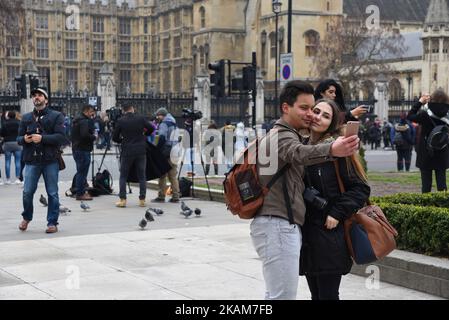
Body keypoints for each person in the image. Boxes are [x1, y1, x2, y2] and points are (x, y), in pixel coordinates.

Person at [251, 80, 360, 300]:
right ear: (285, 108)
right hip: (283, 227)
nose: (312, 115)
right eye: (306, 109)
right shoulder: (286, 137)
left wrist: (335, 212)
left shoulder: (294, 137)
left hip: (317, 235)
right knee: (282, 296)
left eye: (316, 111)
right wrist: (332, 149)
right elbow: (298, 152)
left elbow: (359, 188)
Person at [299, 99, 371, 300]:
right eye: (316, 111)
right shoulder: (300, 147)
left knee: (328, 296)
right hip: (306, 232)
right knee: (315, 295)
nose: (318, 117)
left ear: (332, 124)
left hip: (329, 233)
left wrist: (336, 212)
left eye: (326, 116)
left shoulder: (337, 149)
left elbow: (361, 188)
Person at [17, 87, 67, 234]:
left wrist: (43, 138)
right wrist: (24, 139)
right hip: (32, 160)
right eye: (34, 96)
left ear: (46, 99)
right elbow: (18, 138)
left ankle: (52, 222)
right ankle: (26, 217)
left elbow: (62, 137)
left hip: (50, 160)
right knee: (27, 192)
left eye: (39, 95)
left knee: (52, 193)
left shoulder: (57, 116)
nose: (36, 98)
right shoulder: (26, 117)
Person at [112, 105, 154, 207]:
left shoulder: (121, 121)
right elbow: (151, 128)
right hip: (141, 150)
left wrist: (122, 141)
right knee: (142, 175)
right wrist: (144, 135)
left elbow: (114, 137)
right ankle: (142, 199)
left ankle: (123, 200)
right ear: (132, 109)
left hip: (127, 150)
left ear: (123, 110)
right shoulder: (140, 118)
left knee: (123, 175)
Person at [407, 90, 449, 193]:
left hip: (426, 152)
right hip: (442, 151)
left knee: (426, 185)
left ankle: (426, 207)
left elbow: (410, 116)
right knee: (442, 184)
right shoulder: (448, 115)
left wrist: (420, 102)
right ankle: (443, 206)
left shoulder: (424, 114)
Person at [152, 107, 181, 203]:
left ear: (162, 115)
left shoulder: (164, 123)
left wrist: (156, 149)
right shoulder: (174, 123)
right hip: (175, 151)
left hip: (166, 152)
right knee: (173, 176)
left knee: (162, 175)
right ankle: (176, 196)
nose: (157, 117)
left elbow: (162, 138)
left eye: (158, 115)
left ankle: (161, 196)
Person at [71, 105, 96, 201]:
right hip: (83, 149)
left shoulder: (77, 120)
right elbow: (84, 135)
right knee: (82, 172)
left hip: (77, 148)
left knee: (80, 171)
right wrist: (93, 137)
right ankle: (80, 193)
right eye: (91, 112)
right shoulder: (84, 121)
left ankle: (80, 191)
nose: (92, 114)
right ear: (86, 111)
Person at [0, 111, 23, 184]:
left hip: (7, 143)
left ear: (8, 116)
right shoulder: (19, 123)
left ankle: (8, 179)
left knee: (7, 161)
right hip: (17, 142)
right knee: (17, 161)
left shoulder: (5, 123)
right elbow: (22, 132)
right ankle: (17, 179)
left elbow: (2, 133)